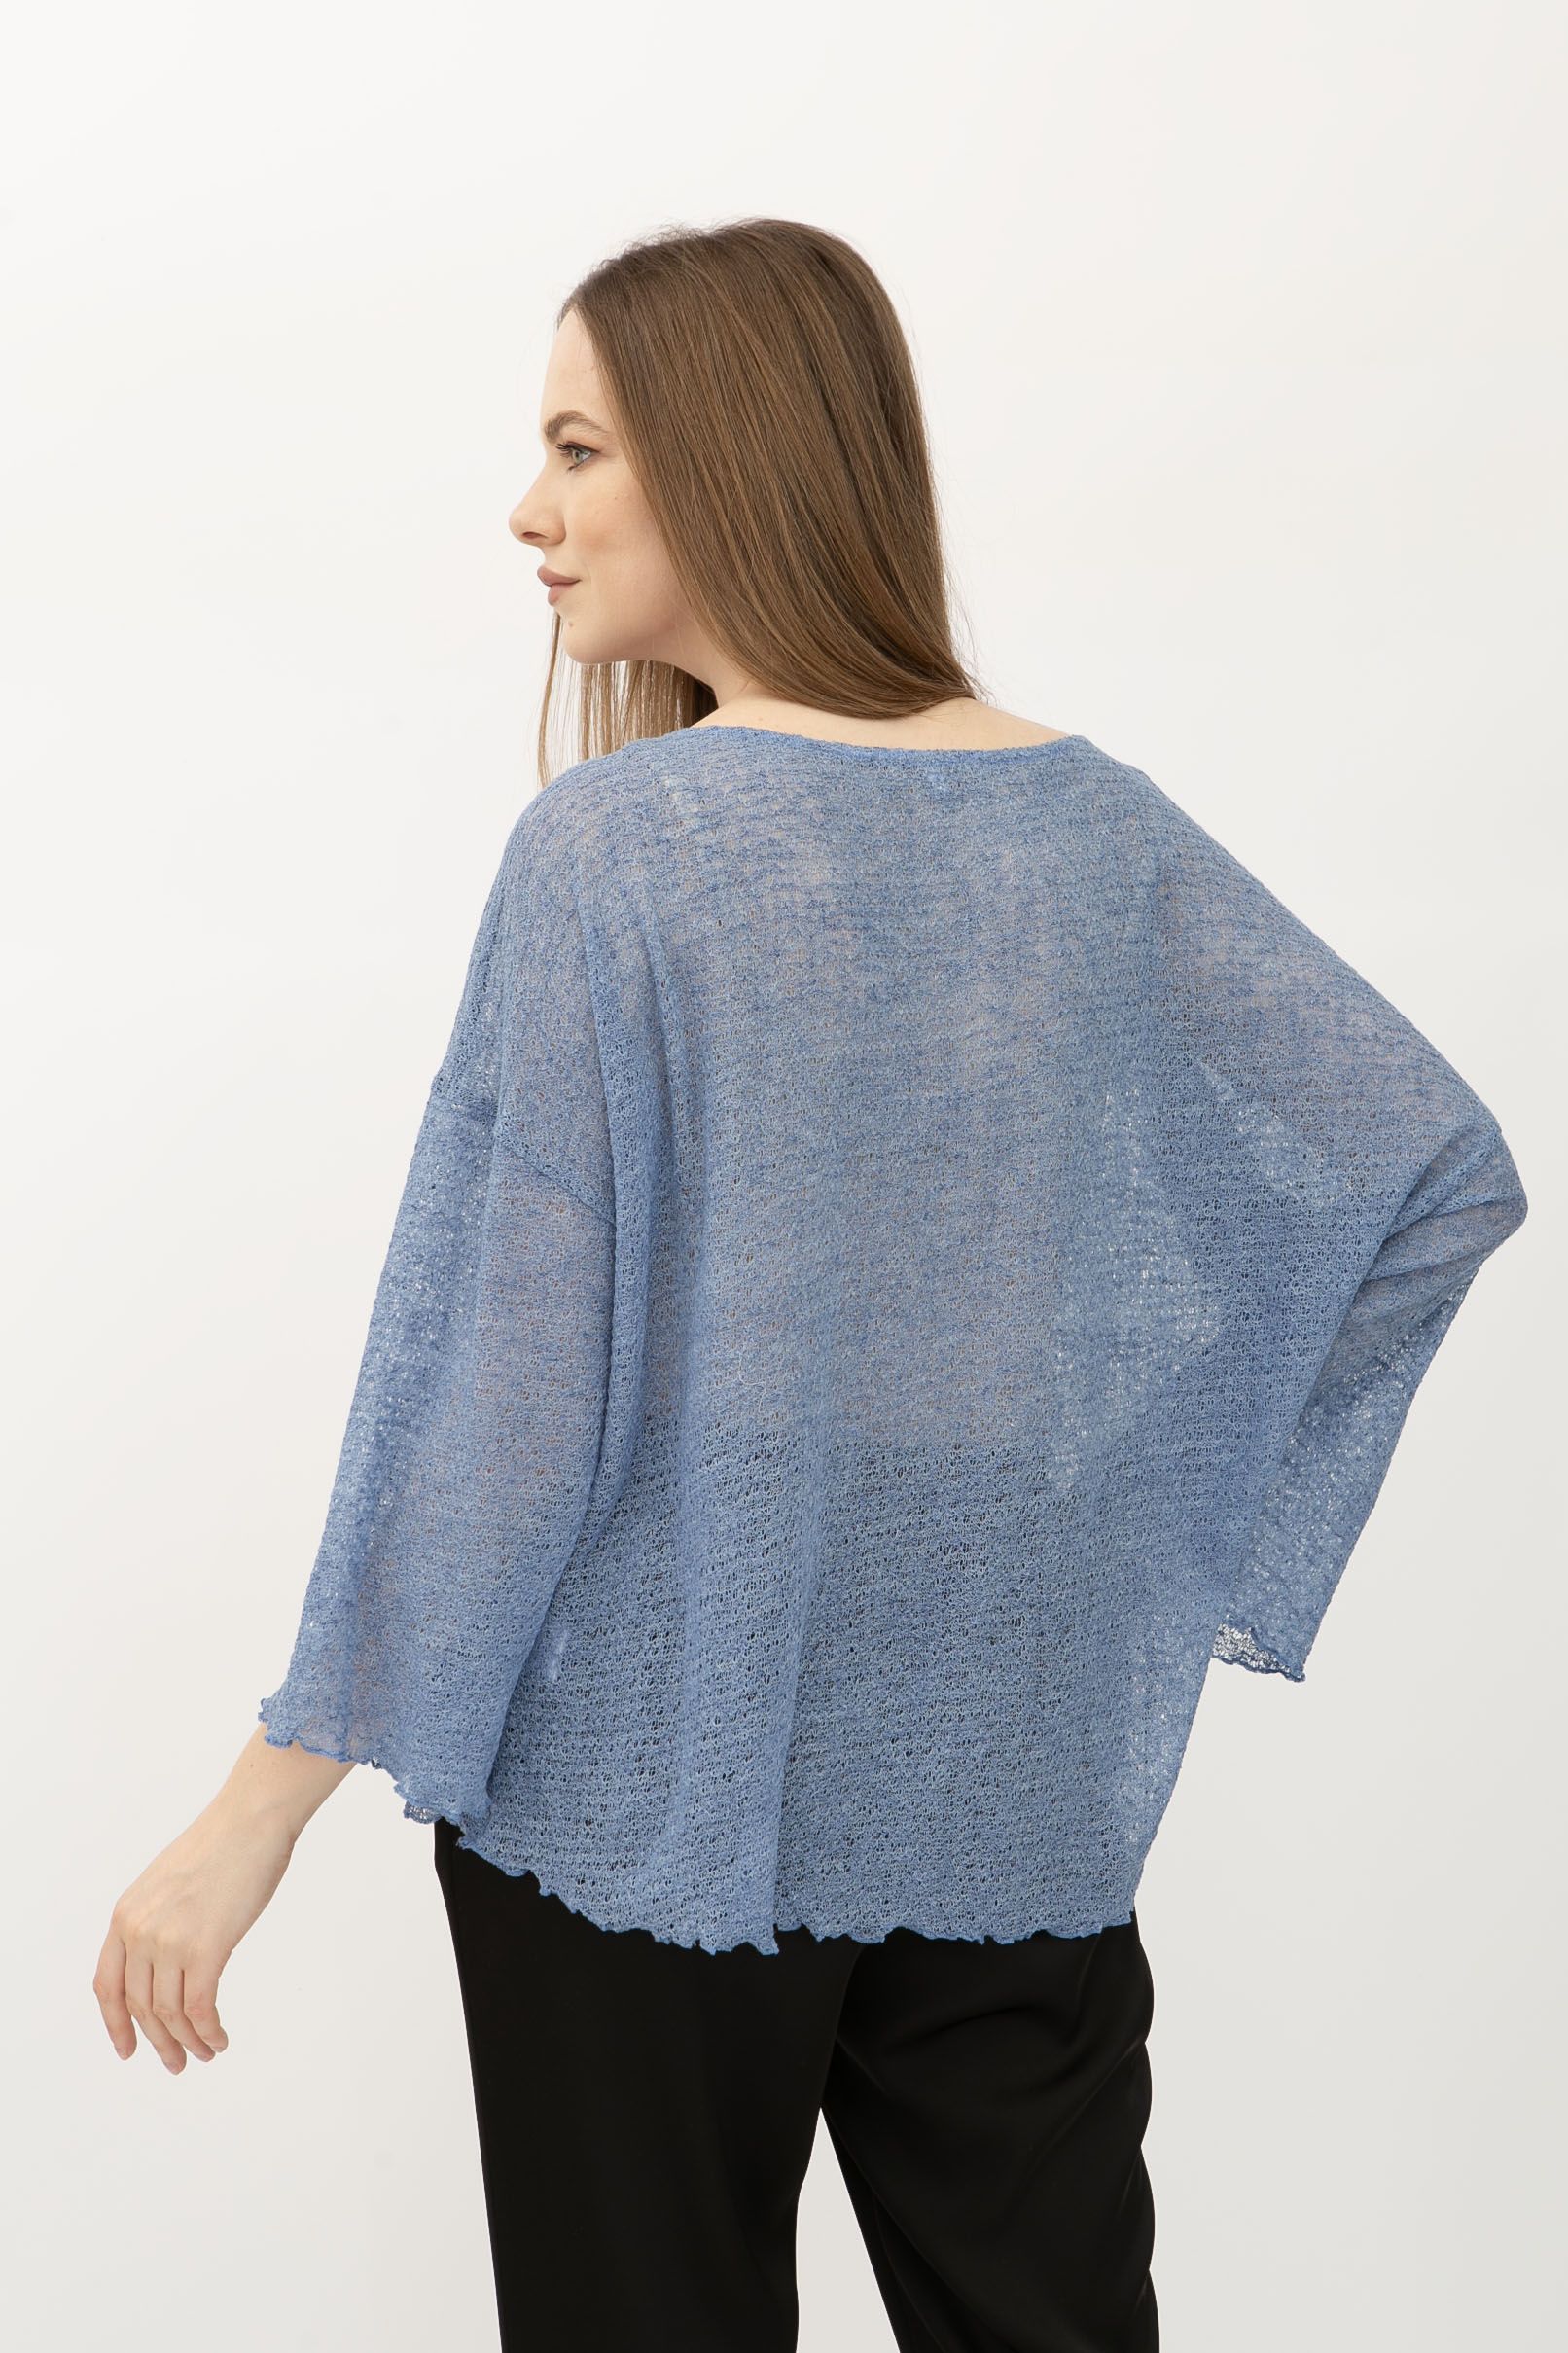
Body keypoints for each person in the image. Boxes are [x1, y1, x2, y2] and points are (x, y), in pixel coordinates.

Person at [93, 219, 1528, 2353]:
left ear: (731, 455)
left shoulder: (618, 854)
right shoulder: (1095, 831)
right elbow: (1430, 1172)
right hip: (1002, 1756)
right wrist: (1118, 1503)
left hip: (638, 1772)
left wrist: (250, 1815)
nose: (528, 510)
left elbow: (506, 1397)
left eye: (578, 448)